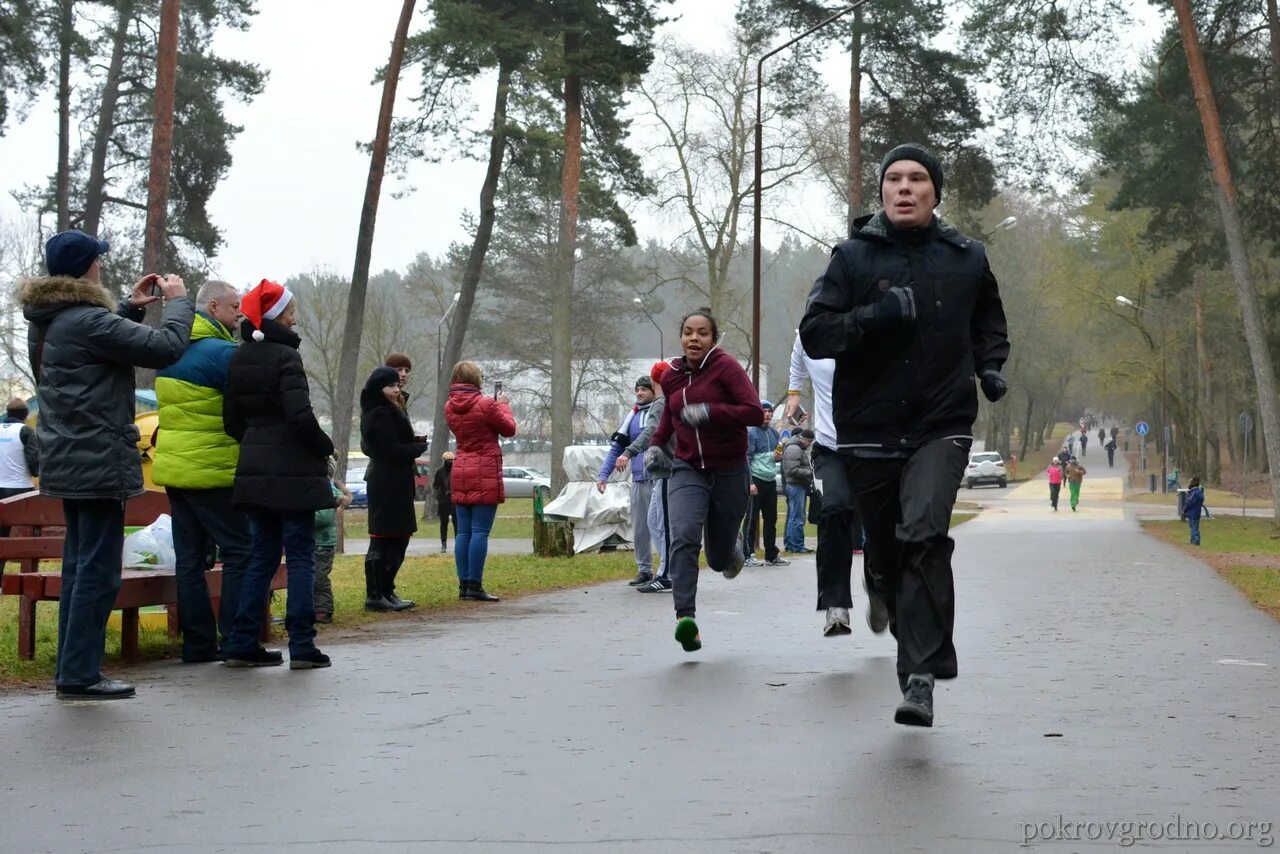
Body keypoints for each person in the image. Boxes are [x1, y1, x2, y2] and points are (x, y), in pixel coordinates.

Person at [800, 143, 1010, 727]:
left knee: (923, 533)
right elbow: (816, 332)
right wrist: (878, 315)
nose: (905, 188)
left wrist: (990, 366)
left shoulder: (967, 257)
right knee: (889, 553)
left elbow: (989, 323)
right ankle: (878, 580)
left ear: (935, 193)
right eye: (894, 179)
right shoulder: (852, 257)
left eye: (917, 179)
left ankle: (918, 678)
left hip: (942, 425)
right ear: (883, 192)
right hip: (868, 429)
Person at [19, 230, 193, 699]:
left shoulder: (52, 319)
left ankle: (73, 669)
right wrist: (178, 303)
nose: (102, 266)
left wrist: (131, 310)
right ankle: (79, 674)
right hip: (97, 456)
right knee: (96, 571)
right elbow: (165, 348)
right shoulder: (86, 320)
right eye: (98, 260)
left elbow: (91, 352)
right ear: (86, 267)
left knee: (81, 565)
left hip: (69, 456)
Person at [221, 278, 335, 670]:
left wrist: (256, 445)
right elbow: (300, 417)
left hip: (254, 472)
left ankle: (241, 642)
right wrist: (325, 447)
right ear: (277, 317)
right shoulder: (287, 358)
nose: (295, 320)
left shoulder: (238, 358)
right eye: (291, 313)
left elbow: (231, 422)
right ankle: (302, 645)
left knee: (261, 557)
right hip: (294, 472)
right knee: (300, 554)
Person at [648, 308, 763, 652]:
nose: (693, 339)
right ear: (681, 337)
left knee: (717, 560)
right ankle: (686, 619)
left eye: (702, 333)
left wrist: (712, 412)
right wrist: (656, 446)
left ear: (714, 338)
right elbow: (670, 414)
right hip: (687, 468)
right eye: (687, 332)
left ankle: (732, 551)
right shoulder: (671, 376)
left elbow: (754, 412)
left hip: (729, 469)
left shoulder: (726, 368)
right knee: (682, 536)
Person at [152, 280, 250, 663]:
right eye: (234, 307)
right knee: (241, 550)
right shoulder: (224, 353)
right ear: (213, 307)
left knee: (190, 560)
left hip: (176, 470)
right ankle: (235, 638)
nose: (240, 314)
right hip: (212, 469)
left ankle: (197, 644)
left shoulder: (170, 350)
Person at [784, 332, 882, 638]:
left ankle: (879, 587)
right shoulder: (810, 332)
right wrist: (794, 392)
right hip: (830, 449)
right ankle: (836, 604)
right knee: (833, 510)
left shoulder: (876, 325)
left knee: (880, 525)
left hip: (875, 446)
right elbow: (798, 360)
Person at [446, 360, 516, 602]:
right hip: (484, 469)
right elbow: (508, 429)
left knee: (463, 532)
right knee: (480, 532)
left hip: (461, 467)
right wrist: (504, 406)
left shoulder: (449, 406)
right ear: (476, 379)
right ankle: (475, 584)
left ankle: (464, 585)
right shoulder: (486, 404)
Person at [360, 366, 429, 613]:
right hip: (386, 480)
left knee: (399, 536)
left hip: (396, 480)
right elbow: (389, 450)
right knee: (383, 537)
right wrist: (416, 449)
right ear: (380, 388)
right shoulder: (379, 412)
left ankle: (387, 590)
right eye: (392, 386)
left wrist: (412, 445)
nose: (396, 390)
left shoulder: (388, 409)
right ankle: (376, 594)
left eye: (397, 386)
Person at [597, 375, 663, 587]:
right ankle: (644, 570)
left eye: (644, 389)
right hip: (639, 479)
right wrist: (603, 474)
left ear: (654, 391)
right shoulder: (631, 418)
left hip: (659, 477)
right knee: (640, 528)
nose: (639, 393)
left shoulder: (660, 411)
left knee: (660, 526)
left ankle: (666, 570)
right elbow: (617, 448)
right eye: (637, 390)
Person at [637, 361, 676, 594]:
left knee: (665, 525)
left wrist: (631, 450)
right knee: (654, 522)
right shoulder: (663, 402)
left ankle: (668, 574)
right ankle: (667, 568)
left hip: (665, 470)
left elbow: (651, 433)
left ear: (655, 381)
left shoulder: (661, 403)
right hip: (661, 472)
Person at [743, 401, 788, 567]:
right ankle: (747, 554)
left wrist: (778, 456)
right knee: (751, 519)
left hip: (770, 481)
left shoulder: (774, 432)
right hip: (757, 481)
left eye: (770, 411)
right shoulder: (752, 432)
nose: (768, 414)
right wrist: (750, 482)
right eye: (764, 411)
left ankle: (771, 554)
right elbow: (746, 458)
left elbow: (776, 454)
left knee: (771, 519)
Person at [0, 397, 40, 573]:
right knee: (34, 531)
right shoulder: (25, 431)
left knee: (1, 535)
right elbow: (34, 464)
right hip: (20, 489)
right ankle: (30, 569)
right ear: (25, 414)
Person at [312, 463, 350, 624]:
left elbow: (322, 518)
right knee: (308, 578)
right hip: (310, 543)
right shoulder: (314, 488)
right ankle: (310, 607)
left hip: (323, 543)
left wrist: (302, 516)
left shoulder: (329, 491)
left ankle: (323, 609)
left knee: (319, 578)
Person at [781, 429, 815, 552]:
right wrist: (810, 472)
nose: (810, 444)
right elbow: (791, 470)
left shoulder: (795, 447)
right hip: (796, 486)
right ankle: (796, 546)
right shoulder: (794, 449)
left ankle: (792, 545)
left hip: (797, 486)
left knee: (794, 517)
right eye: (809, 441)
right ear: (802, 438)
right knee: (797, 518)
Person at [433, 451, 456, 554]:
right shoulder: (439, 472)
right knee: (444, 524)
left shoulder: (456, 472)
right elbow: (435, 486)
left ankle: (458, 543)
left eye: (450, 461)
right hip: (443, 501)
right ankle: (443, 543)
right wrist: (439, 495)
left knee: (457, 523)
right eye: (447, 461)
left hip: (455, 501)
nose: (449, 463)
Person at [1183, 477, 1210, 545]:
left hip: (1192, 513)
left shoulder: (1193, 493)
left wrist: (1184, 510)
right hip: (1197, 512)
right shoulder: (1199, 492)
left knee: (1193, 527)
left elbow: (1189, 502)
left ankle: (1196, 541)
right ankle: (1193, 540)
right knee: (1195, 527)